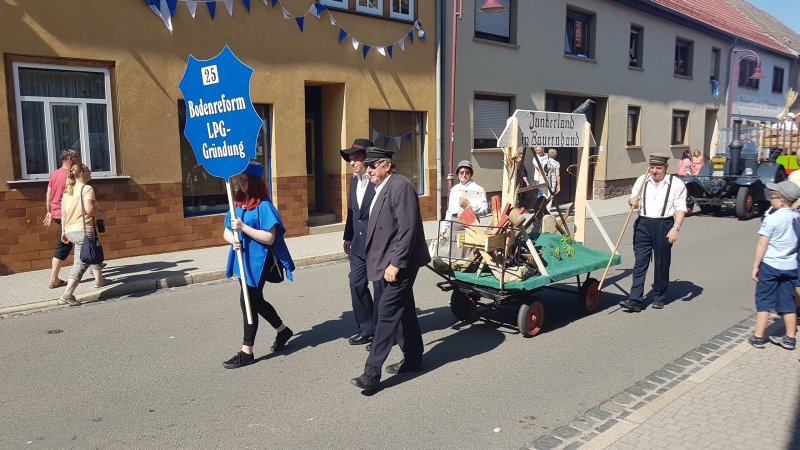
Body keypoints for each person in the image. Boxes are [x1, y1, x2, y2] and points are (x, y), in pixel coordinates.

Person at [350, 147, 430, 391]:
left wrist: (396, 263)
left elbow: (408, 229)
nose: (369, 170)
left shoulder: (401, 186)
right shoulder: (380, 188)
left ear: (386, 165)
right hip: (385, 262)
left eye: (373, 165)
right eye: (368, 165)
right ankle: (414, 358)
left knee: (385, 314)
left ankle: (371, 373)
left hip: (399, 263)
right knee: (404, 310)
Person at [222, 161, 296, 369]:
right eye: (239, 180)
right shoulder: (236, 203)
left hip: (258, 261)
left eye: (245, 180)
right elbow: (226, 230)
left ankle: (247, 351)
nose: (240, 183)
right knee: (256, 301)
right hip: (241, 259)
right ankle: (283, 330)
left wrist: (243, 227)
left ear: (254, 181)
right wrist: (232, 239)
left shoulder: (264, 206)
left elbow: (269, 238)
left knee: (248, 302)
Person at [619, 153, 687, 312]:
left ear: (666, 168)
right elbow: (632, 198)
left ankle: (659, 296)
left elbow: (681, 208)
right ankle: (635, 299)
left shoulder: (675, 184)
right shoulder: (642, 180)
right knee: (640, 262)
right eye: (652, 167)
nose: (655, 171)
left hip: (664, 225)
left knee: (661, 263)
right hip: (643, 224)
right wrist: (632, 201)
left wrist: (675, 228)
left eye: (659, 168)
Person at [748, 180, 799, 350]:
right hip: (790, 266)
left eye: (773, 196)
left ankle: (758, 336)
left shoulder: (773, 218)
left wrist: (756, 266)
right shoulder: (797, 218)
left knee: (764, 301)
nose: (771, 198)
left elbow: (762, 244)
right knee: (788, 302)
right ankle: (790, 338)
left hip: (770, 266)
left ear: (782, 200)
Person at [57, 164, 111, 305]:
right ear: (81, 173)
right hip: (83, 230)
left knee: (90, 254)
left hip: (70, 230)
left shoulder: (68, 191)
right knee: (81, 263)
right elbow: (89, 210)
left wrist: (63, 231)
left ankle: (99, 279)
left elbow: (63, 213)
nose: (90, 172)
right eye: (88, 171)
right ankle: (67, 294)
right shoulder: (87, 189)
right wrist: (100, 213)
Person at [341, 138, 376, 347]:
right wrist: (348, 236)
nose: (352, 163)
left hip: (376, 242)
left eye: (356, 158)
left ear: (367, 158)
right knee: (356, 282)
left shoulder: (377, 180)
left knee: (381, 290)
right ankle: (366, 328)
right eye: (351, 159)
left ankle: (382, 334)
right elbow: (352, 211)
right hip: (357, 242)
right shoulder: (354, 180)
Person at [44, 149, 80, 289]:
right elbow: (74, 196)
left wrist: (48, 211)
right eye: (77, 157)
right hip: (67, 214)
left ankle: (93, 267)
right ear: (70, 159)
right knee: (64, 245)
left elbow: (49, 194)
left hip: (56, 213)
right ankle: (53, 278)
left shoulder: (54, 174)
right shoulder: (71, 175)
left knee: (79, 239)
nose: (79, 159)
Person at [439, 159, 488, 238]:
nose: (464, 175)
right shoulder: (454, 189)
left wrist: (470, 205)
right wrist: (443, 228)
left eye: (467, 172)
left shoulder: (478, 189)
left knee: (469, 249)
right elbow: (450, 210)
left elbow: (485, 210)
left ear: (471, 174)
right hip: (455, 223)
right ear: (458, 174)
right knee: (455, 248)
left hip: (471, 223)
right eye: (461, 172)